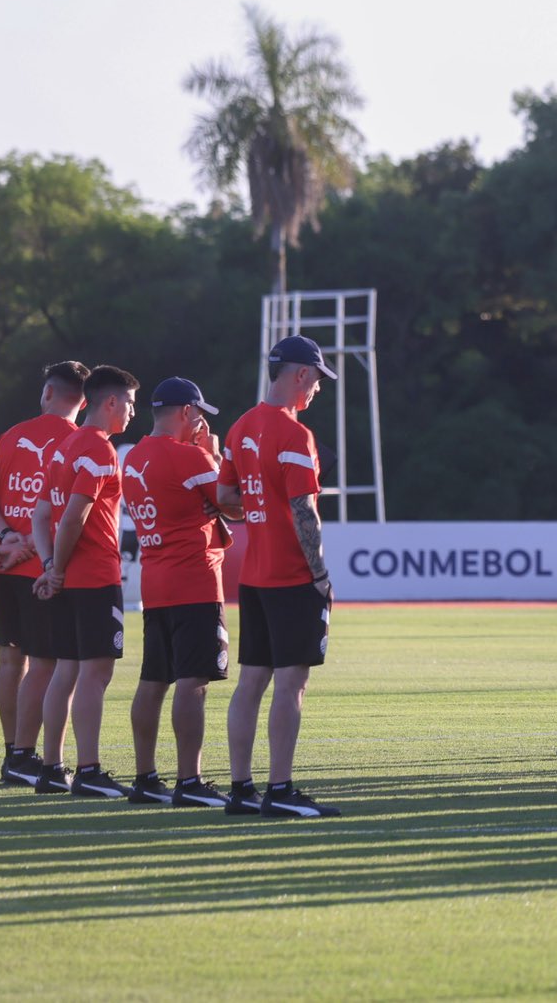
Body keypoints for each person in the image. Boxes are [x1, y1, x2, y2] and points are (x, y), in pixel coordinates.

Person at [218, 336, 342, 817]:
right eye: (316, 381)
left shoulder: (241, 426)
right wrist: (321, 575)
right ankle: (281, 789)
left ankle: (240, 789)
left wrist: (258, 509)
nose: (317, 391)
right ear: (300, 374)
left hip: (255, 577)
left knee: (252, 683)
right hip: (292, 576)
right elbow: (304, 511)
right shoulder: (295, 435)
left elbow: (226, 494)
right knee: (292, 684)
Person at [0, 359, 88, 788]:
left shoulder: (10, 436)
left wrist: (6, 537)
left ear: (46, 393)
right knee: (47, 664)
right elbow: (66, 516)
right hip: (43, 567)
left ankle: (12, 752)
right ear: (85, 401)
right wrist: (24, 547)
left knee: (9, 660)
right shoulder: (80, 443)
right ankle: (24, 754)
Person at [123, 378, 236, 807]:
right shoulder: (191, 457)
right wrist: (210, 452)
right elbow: (235, 500)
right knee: (194, 682)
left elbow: (212, 501)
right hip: (195, 580)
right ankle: (190, 781)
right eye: (199, 414)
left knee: (153, 680)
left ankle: (144, 776)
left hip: (156, 582)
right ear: (186, 412)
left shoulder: (133, 457)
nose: (201, 422)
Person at [29, 364, 140, 798]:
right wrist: (55, 565)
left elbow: (41, 515)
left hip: (67, 576)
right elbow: (74, 515)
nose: (132, 413)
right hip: (93, 575)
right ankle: (89, 770)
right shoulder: (97, 449)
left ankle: (52, 768)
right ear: (110, 402)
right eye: (129, 404)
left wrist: (49, 565)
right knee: (95, 675)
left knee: (66, 672)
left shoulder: (63, 447)